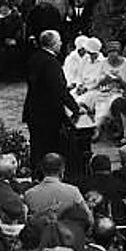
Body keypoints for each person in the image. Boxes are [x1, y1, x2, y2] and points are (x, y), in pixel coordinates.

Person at [23, 30, 81, 166]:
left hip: (33, 109)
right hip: (47, 113)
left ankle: (36, 174)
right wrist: (75, 108)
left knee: (36, 147)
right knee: (48, 148)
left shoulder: (34, 57)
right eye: (59, 41)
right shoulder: (51, 63)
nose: (61, 44)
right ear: (53, 44)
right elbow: (59, 89)